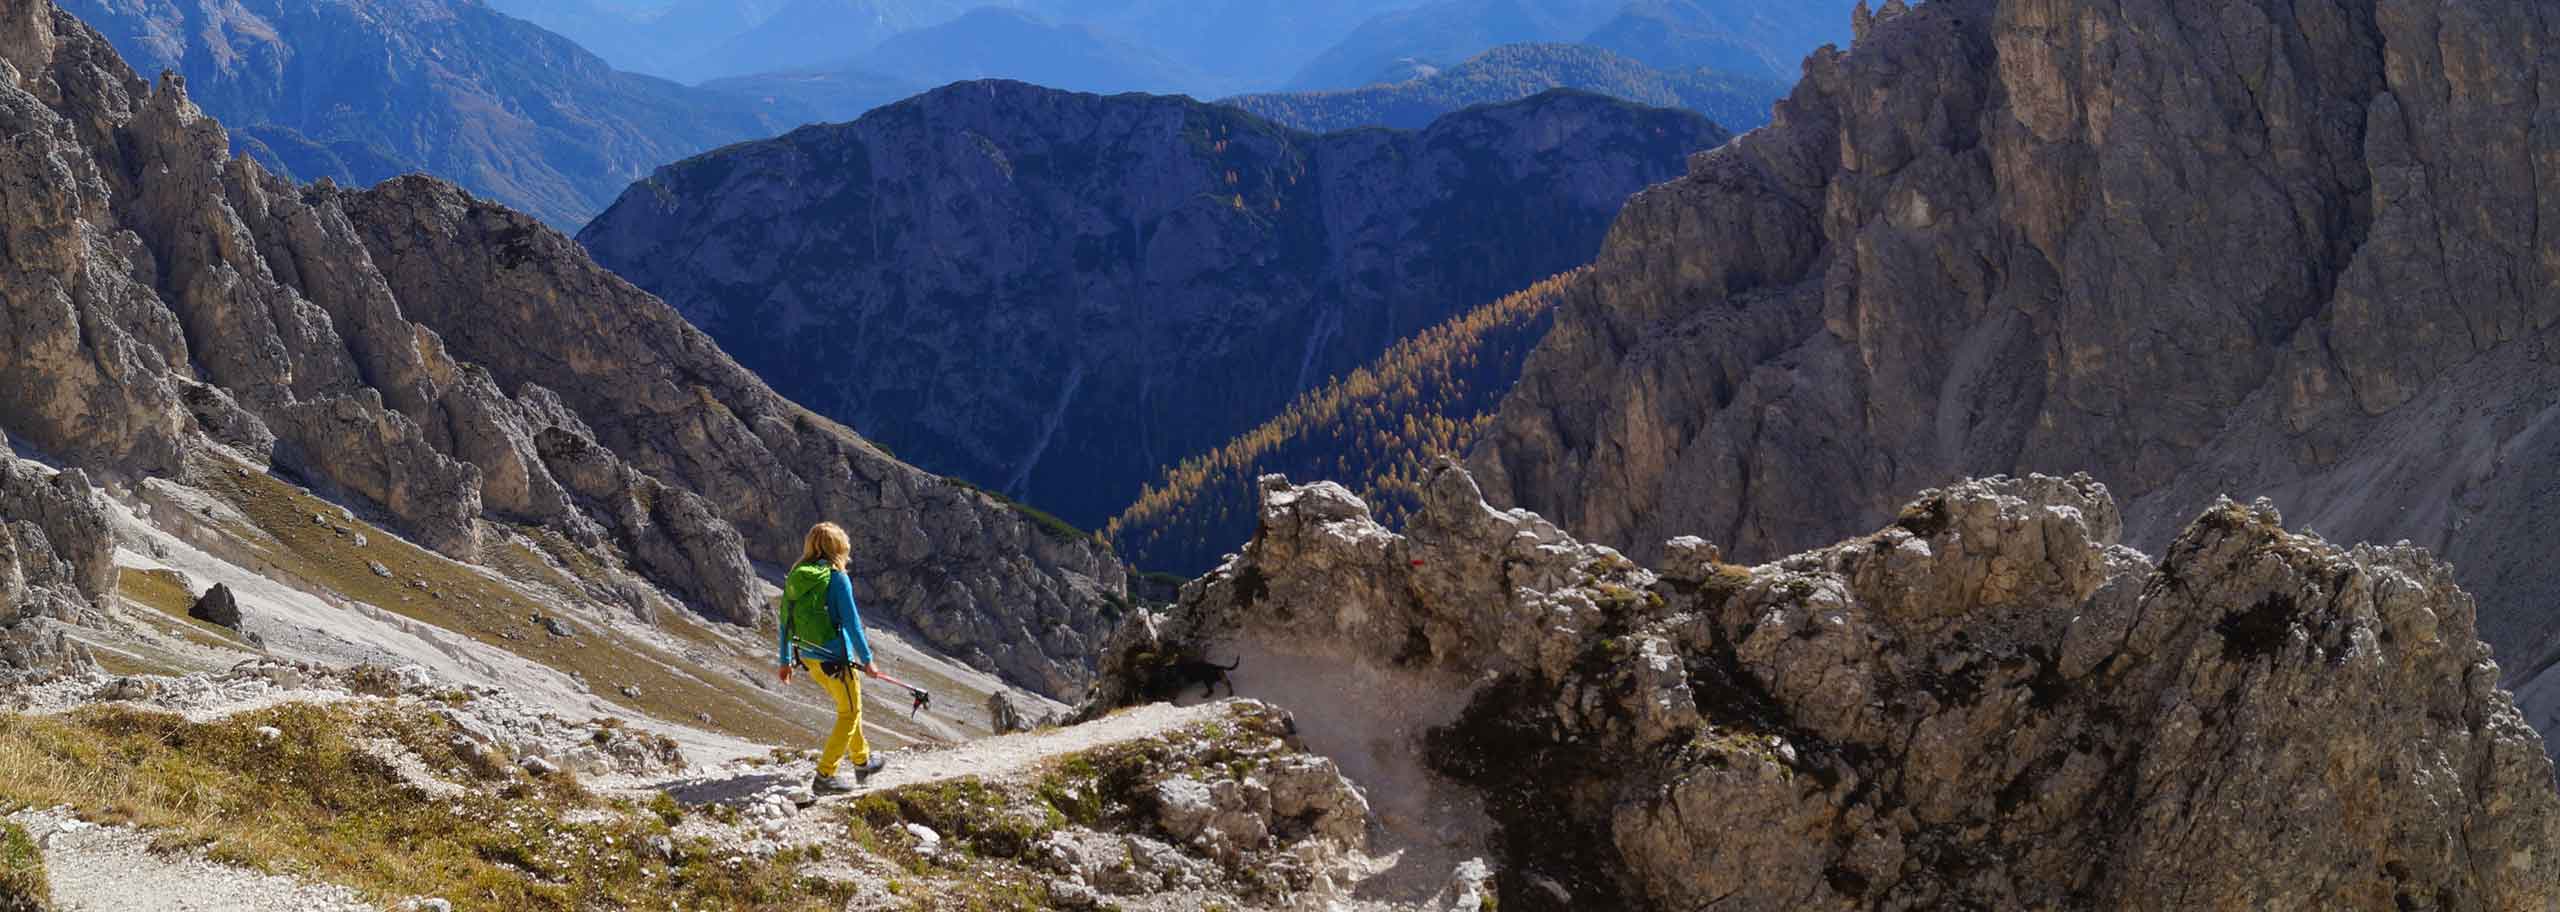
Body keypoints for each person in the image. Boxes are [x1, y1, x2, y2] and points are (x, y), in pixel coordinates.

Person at [778, 521, 886, 793]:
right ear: (838, 549)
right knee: (850, 712)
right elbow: (852, 622)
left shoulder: (796, 575)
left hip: (810, 658)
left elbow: (784, 622)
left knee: (849, 707)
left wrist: (784, 660)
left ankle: (863, 761)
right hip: (837, 661)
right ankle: (825, 776)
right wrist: (868, 659)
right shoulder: (837, 578)